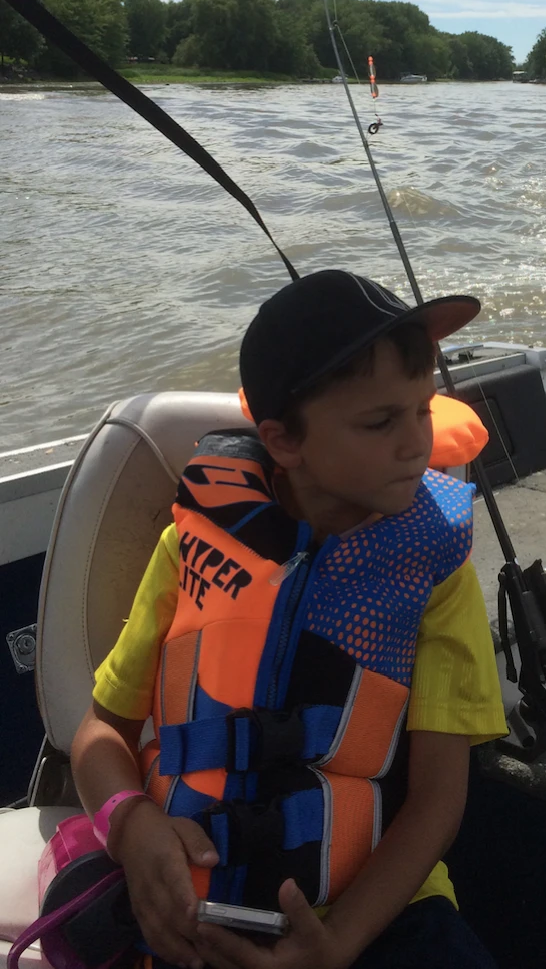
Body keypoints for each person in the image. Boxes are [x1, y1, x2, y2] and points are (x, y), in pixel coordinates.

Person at [70, 269, 507, 969]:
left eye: (423, 410)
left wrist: (339, 943)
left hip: (380, 916)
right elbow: (98, 733)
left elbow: (436, 799)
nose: (415, 444)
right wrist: (131, 825)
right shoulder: (190, 546)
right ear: (282, 441)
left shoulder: (436, 571)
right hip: (196, 908)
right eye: (380, 422)